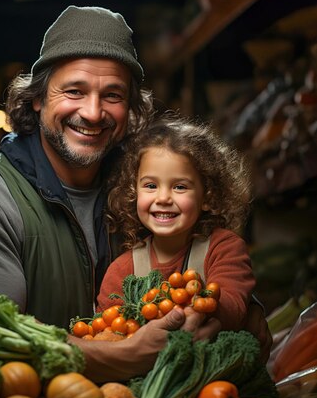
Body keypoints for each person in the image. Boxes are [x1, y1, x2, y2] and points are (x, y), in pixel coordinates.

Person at [0, 5, 221, 384]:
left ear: (130, 108)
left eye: (113, 95)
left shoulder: (145, 191)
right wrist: (126, 355)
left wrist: (231, 311)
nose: (93, 112)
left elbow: (210, 256)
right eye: (74, 90)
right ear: (37, 98)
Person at [97, 112, 272, 358]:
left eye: (180, 186)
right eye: (150, 185)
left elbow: (233, 304)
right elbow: (106, 331)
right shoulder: (122, 270)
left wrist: (202, 314)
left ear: (207, 197)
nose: (164, 198)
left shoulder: (224, 248)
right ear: (132, 192)